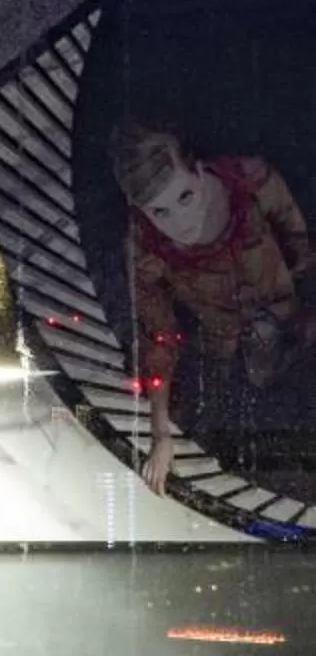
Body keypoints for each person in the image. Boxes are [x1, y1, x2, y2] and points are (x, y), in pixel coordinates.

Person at [115, 118, 316, 496]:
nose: (181, 222)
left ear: (198, 169)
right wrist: (160, 433)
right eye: (160, 212)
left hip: (294, 321)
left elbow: (299, 242)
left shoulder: (250, 180)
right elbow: (158, 336)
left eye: (185, 197)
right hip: (230, 356)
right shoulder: (144, 250)